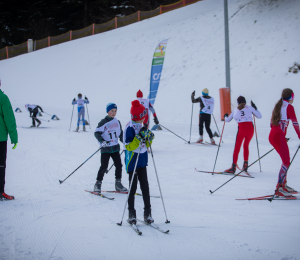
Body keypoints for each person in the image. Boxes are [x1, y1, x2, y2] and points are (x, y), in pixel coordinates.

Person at [123, 100, 155, 224]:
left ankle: (148, 212)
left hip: (142, 160)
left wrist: (149, 139)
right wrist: (139, 137)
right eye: (143, 116)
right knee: (133, 187)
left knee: (145, 187)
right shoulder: (129, 127)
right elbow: (128, 146)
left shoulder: (142, 125)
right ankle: (131, 213)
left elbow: (146, 144)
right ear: (138, 116)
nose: (144, 119)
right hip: (132, 161)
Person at [269, 88, 300, 196]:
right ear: (291, 97)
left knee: (285, 160)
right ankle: (279, 187)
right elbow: (295, 124)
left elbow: (271, 124)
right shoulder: (289, 107)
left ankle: (283, 185)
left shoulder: (277, 106)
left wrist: (282, 135)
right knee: (286, 162)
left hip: (273, 135)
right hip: (278, 136)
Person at [94, 103, 127, 193]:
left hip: (115, 148)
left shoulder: (117, 122)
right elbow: (97, 133)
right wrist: (102, 141)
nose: (113, 113)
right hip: (106, 149)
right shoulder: (103, 122)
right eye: (112, 110)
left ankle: (118, 184)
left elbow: (120, 134)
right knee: (104, 166)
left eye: (115, 111)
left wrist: (125, 141)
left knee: (119, 165)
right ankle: (98, 184)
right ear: (108, 111)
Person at [224, 96, 262, 174]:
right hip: (250, 130)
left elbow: (227, 120)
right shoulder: (250, 108)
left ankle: (233, 167)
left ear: (238, 103)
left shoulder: (235, 110)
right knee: (246, 146)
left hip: (241, 130)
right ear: (245, 102)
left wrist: (225, 117)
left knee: (237, 148)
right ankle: (245, 165)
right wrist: (255, 108)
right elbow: (259, 116)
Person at [0, 84, 18, 200]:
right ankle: (0, 191)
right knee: (0, 165)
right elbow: (9, 118)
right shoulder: (3, 98)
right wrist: (14, 137)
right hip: (0, 138)